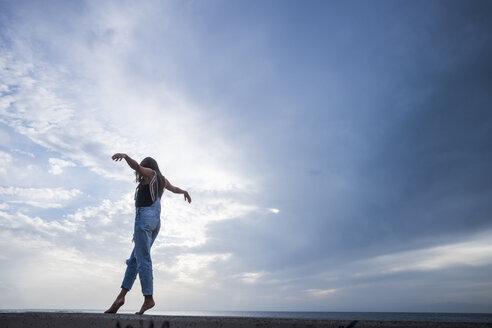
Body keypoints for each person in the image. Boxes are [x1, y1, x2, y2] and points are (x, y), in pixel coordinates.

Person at [105, 153, 191, 315]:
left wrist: (125, 156)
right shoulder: (162, 180)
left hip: (144, 221)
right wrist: (184, 192)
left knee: (143, 258)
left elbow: (137, 166)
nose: (140, 174)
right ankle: (120, 297)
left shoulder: (151, 174)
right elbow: (174, 189)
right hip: (155, 223)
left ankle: (148, 298)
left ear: (149, 167)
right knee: (134, 260)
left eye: (143, 170)